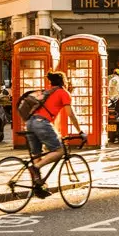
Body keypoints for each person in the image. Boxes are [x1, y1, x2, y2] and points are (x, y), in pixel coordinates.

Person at [26, 71, 85, 199]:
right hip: (42, 123)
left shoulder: (47, 92)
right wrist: (80, 131)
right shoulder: (63, 93)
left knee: (37, 154)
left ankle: (38, 186)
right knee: (60, 151)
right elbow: (71, 115)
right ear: (64, 81)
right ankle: (35, 168)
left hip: (30, 122)